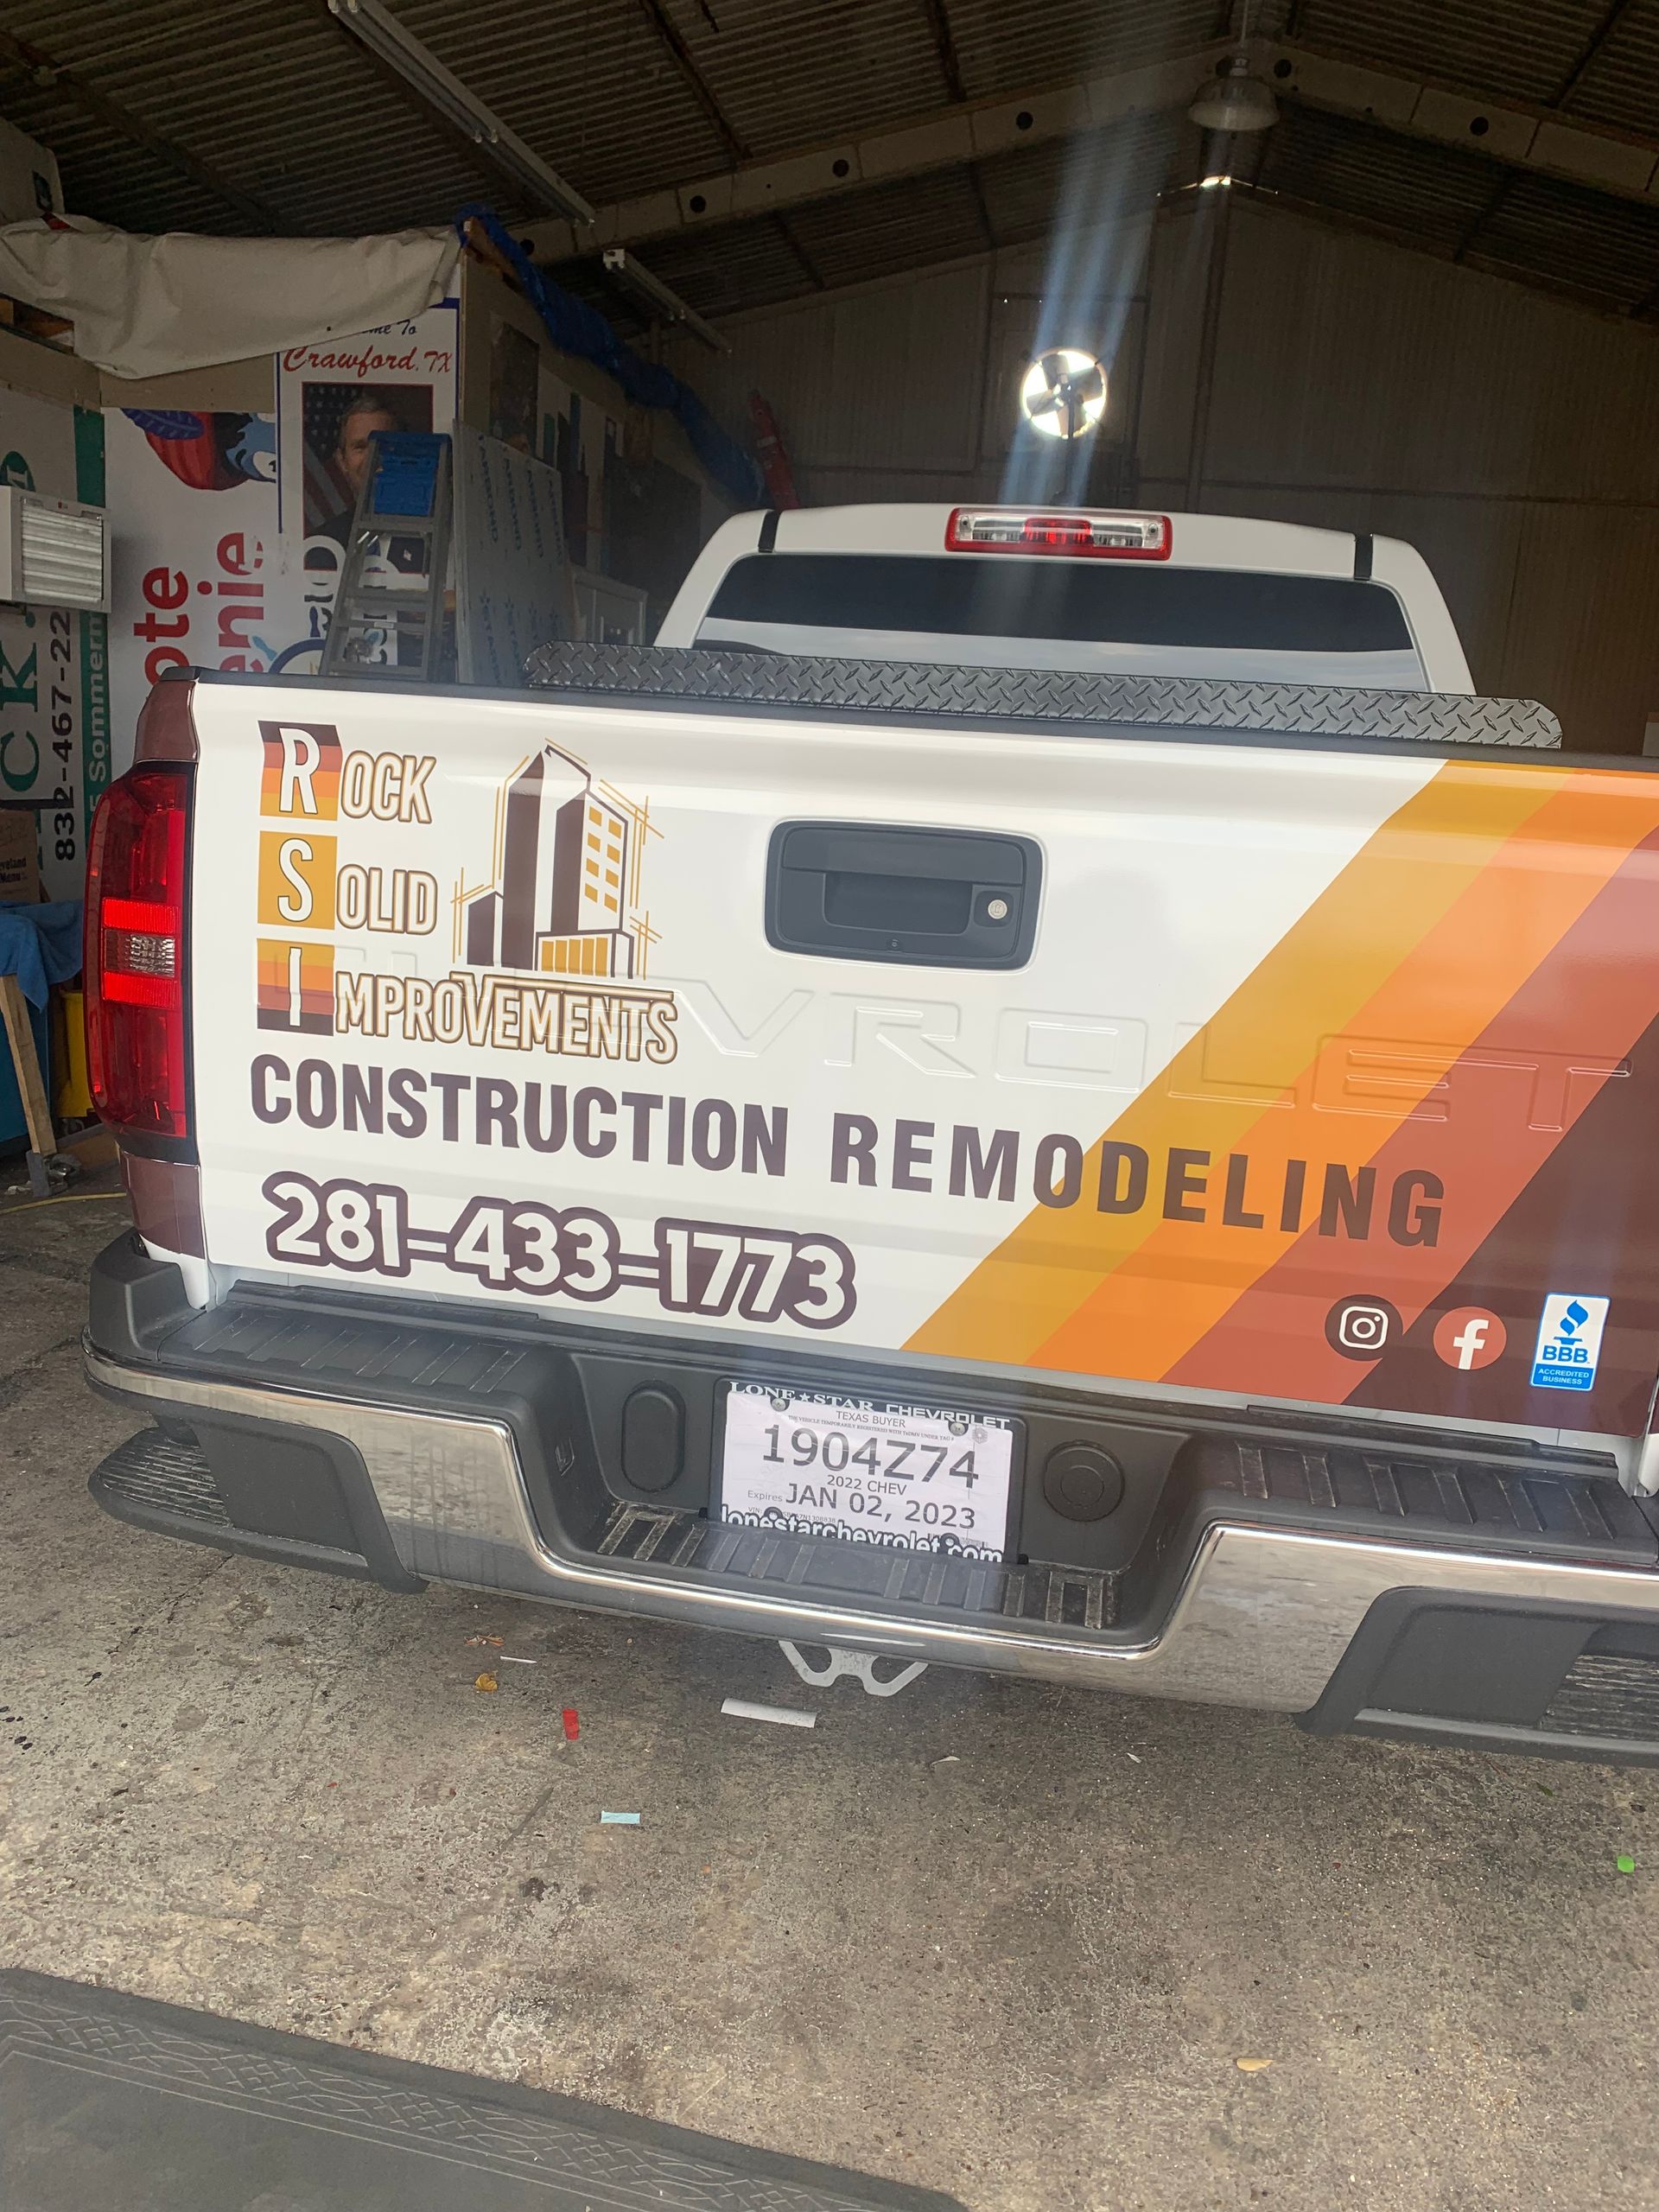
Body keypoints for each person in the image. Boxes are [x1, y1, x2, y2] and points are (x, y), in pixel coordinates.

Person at [313, 391, 401, 550]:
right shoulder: (323, 543)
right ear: (342, 461)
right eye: (360, 447)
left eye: (383, 445)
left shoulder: (430, 534)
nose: (372, 457)